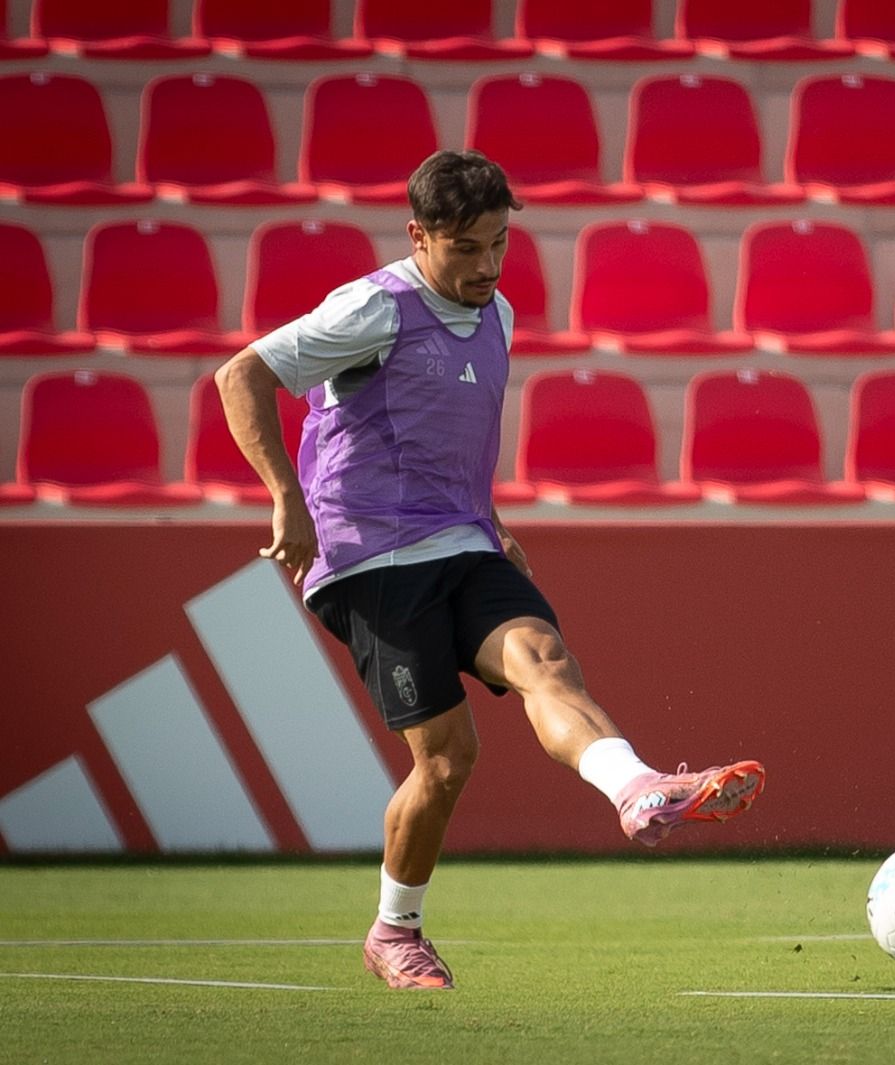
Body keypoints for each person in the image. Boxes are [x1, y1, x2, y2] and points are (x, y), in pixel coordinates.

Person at [214, 149, 765, 991]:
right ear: (419, 237)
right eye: (465, 247)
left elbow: (450, 435)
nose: (485, 266)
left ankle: (637, 786)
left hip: (465, 541)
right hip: (370, 559)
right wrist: (285, 497)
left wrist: (493, 523)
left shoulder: (499, 313)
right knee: (445, 757)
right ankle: (394, 931)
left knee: (545, 658)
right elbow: (241, 371)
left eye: (498, 243)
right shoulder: (374, 306)